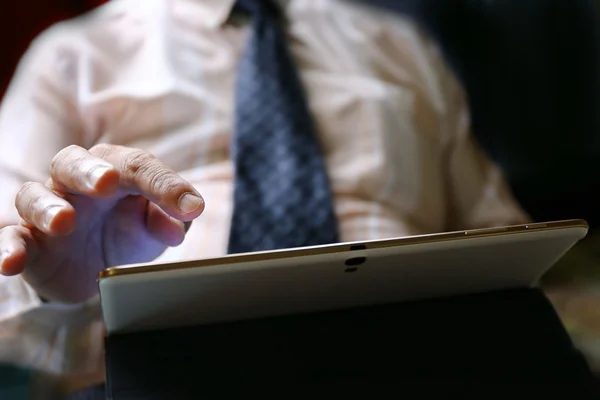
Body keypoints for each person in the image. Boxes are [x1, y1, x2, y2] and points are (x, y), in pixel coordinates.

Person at [0, 0, 550, 396]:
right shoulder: (73, 54)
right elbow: (7, 245)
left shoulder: (402, 45)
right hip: (174, 361)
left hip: (425, 353)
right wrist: (51, 292)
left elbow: (505, 245)